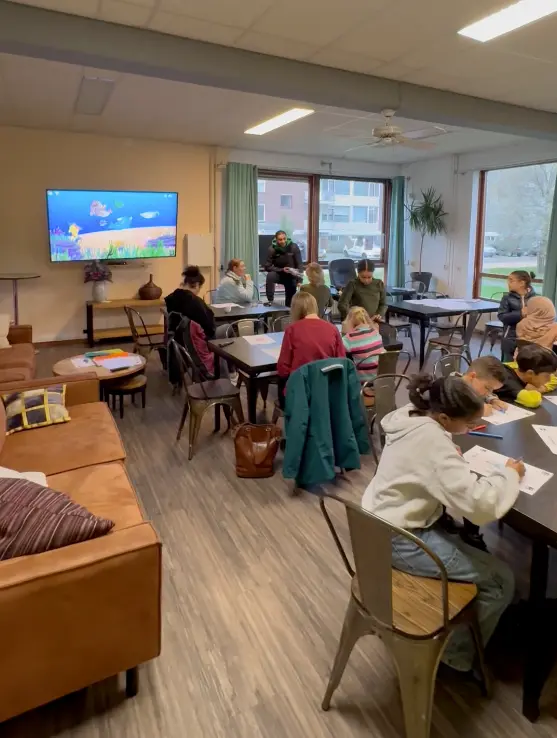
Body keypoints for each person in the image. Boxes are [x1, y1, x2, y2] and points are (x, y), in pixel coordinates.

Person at [362, 373, 524, 674]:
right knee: (502, 580)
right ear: (446, 419)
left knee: (473, 549)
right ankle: (455, 658)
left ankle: (474, 632)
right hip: (399, 538)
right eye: (469, 424)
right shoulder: (433, 443)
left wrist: (448, 458)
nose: (472, 428)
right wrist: (510, 474)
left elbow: (427, 464)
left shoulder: (412, 417)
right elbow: (481, 506)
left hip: (378, 523)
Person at [277, 292, 345, 407]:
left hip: (301, 389)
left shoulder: (292, 330)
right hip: (327, 389)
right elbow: (341, 360)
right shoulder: (333, 329)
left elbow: (283, 367)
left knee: (280, 382)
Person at [495, 343, 557, 408]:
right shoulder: (511, 385)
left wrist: (541, 388)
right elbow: (533, 401)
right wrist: (536, 390)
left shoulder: (516, 367)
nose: (549, 379)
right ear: (530, 373)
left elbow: (554, 379)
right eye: (547, 376)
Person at [165, 266, 217, 339]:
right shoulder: (195, 302)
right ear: (196, 285)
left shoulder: (171, 298)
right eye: (200, 287)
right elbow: (210, 327)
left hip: (180, 341)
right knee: (228, 328)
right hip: (199, 340)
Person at [498, 270, 536, 361]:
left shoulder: (535, 298)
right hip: (510, 338)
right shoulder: (507, 298)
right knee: (508, 368)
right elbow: (502, 316)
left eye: (511, 280)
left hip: (530, 339)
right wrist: (520, 314)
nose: (508, 283)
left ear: (522, 283)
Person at [342, 306, 384, 383]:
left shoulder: (349, 339)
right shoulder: (376, 333)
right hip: (380, 379)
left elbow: (338, 349)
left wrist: (344, 332)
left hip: (362, 381)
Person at [264, 230, 302, 307]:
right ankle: (270, 301)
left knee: (290, 302)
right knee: (270, 276)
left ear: (286, 238)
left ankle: (289, 310)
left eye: (284, 239)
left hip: (291, 275)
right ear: (276, 240)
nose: (283, 241)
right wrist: (281, 269)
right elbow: (267, 267)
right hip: (279, 273)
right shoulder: (272, 249)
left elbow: (299, 264)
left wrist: (299, 280)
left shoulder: (293, 247)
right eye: (280, 239)